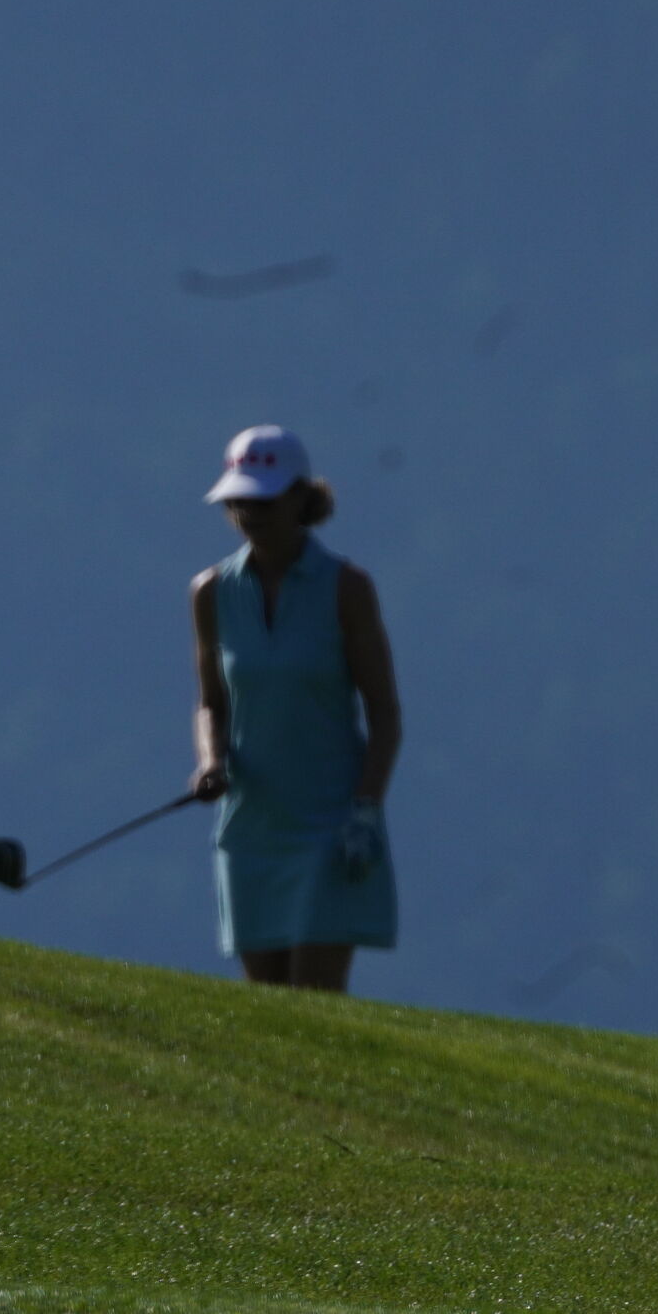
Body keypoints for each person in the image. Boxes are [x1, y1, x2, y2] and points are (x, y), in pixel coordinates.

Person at [188, 425, 401, 991]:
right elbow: (211, 703)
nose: (248, 513)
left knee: (314, 1001)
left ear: (301, 498)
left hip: (331, 826)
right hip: (251, 828)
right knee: (266, 1007)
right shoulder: (211, 591)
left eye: (264, 500)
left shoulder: (347, 588)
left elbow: (384, 714)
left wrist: (365, 810)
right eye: (239, 500)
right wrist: (211, 762)